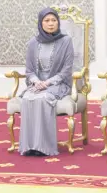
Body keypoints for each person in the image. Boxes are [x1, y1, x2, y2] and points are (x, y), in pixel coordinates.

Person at [19, 8, 74, 156]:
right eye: (47, 20)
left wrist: (47, 83)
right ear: (40, 23)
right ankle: (30, 146)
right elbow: (29, 70)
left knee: (43, 99)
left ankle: (43, 146)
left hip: (58, 84)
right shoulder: (33, 43)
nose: (50, 24)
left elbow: (66, 70)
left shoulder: (66, 41)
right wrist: (36, 81)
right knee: (28, 98)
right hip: (37, 84)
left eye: (54, 20)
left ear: (58, 22)